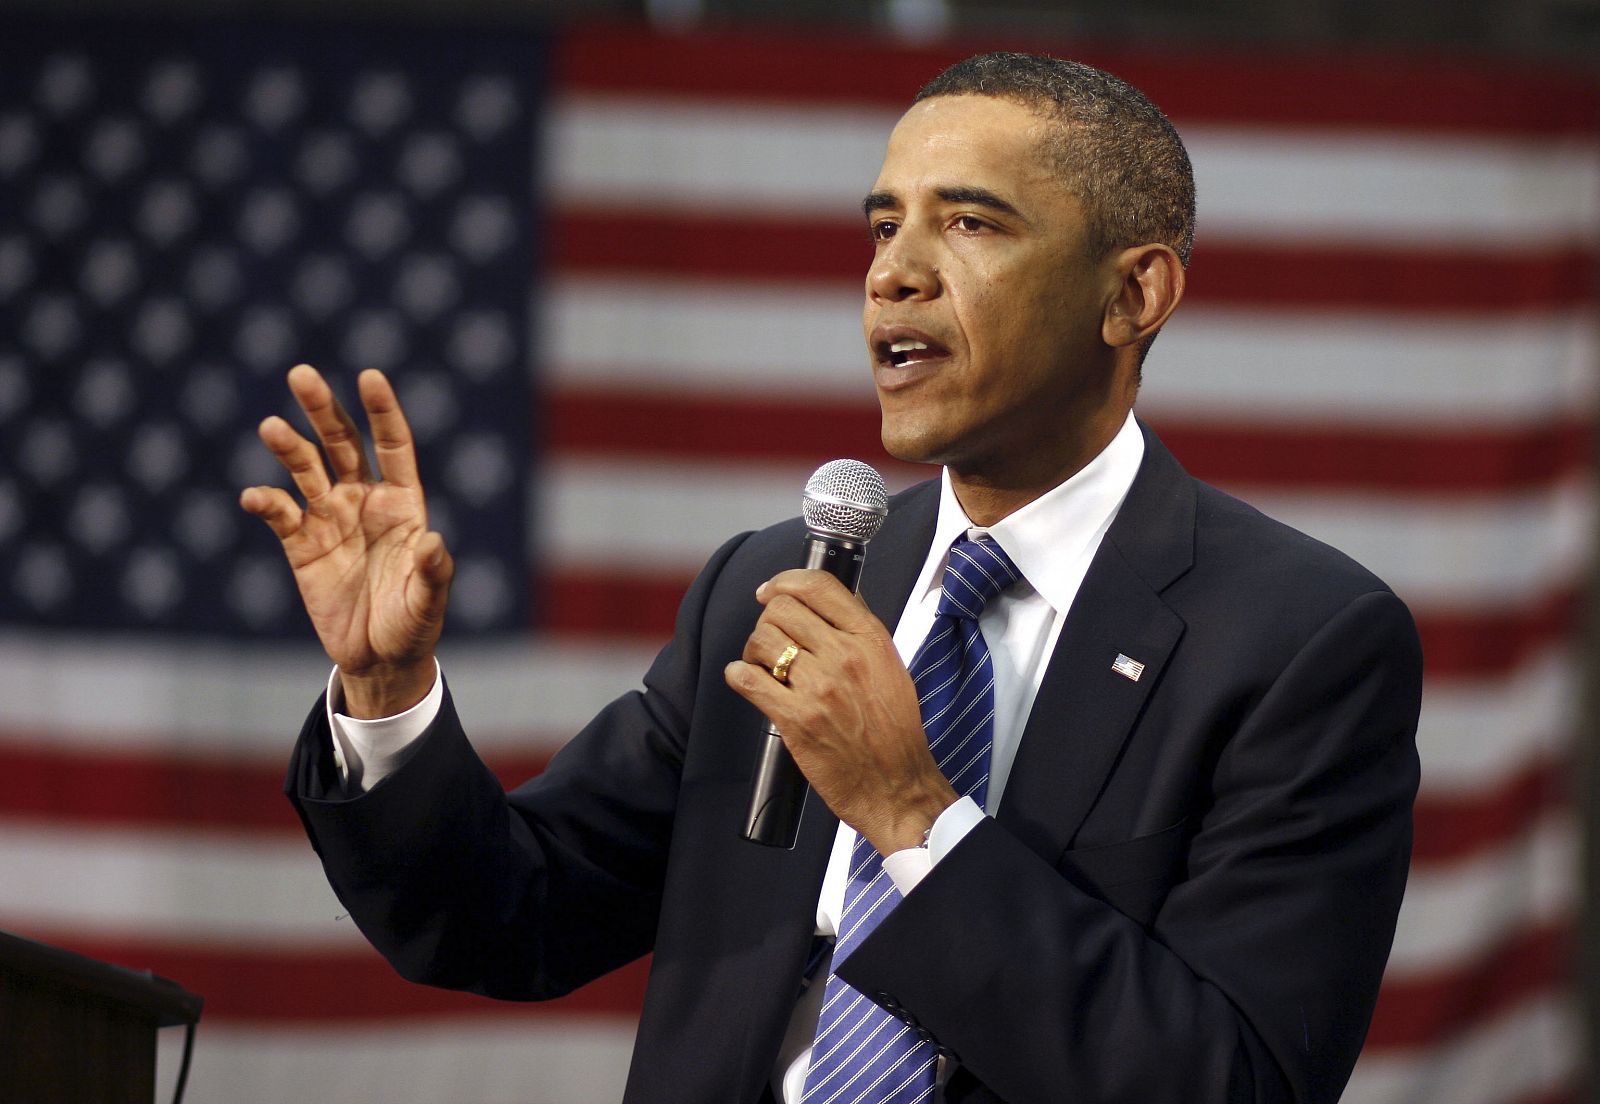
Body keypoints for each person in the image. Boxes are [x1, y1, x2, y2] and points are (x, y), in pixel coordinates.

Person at [241, 53, 1421, 1104]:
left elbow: (1231, 1075)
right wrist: (388, 692)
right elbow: (508, 917)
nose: (892, 274)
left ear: (1134, 293)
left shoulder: (1297, 641)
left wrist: (912, 814)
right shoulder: (772, 585)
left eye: (969, 224)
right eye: (880, 225)